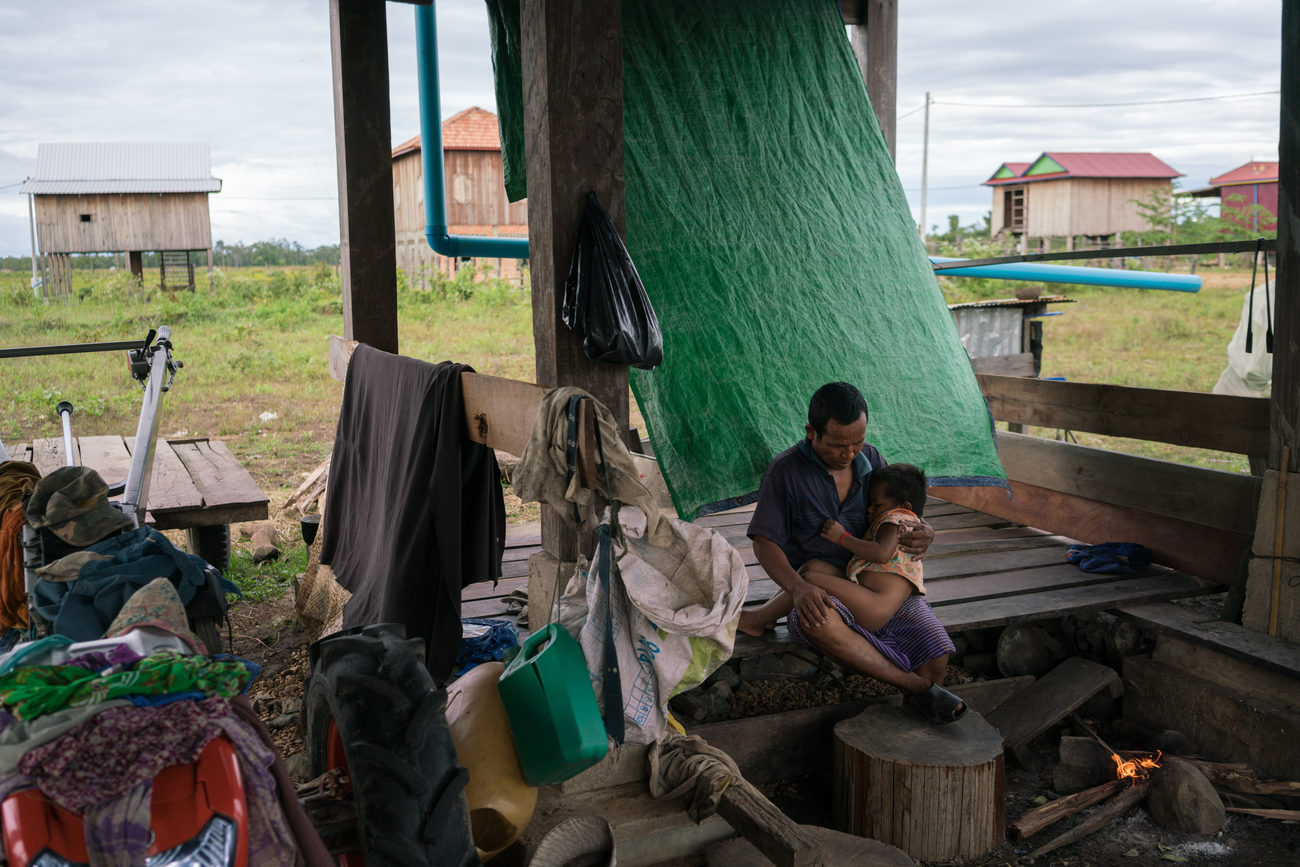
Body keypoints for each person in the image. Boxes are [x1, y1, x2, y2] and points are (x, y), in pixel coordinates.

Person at [742, 382, 966, 723]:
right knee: (820, 618)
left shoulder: (872, 459)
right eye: (836, 445)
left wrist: (927, 530)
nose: (849, 453)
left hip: (876, 580)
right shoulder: (785, 472)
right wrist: (798, 588)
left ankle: (919, 722)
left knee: (935, 652)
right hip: (819, 590)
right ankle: (915, 688)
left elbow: (902, 511)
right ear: (811, 433)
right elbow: (764, 541)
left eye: (857, 442)